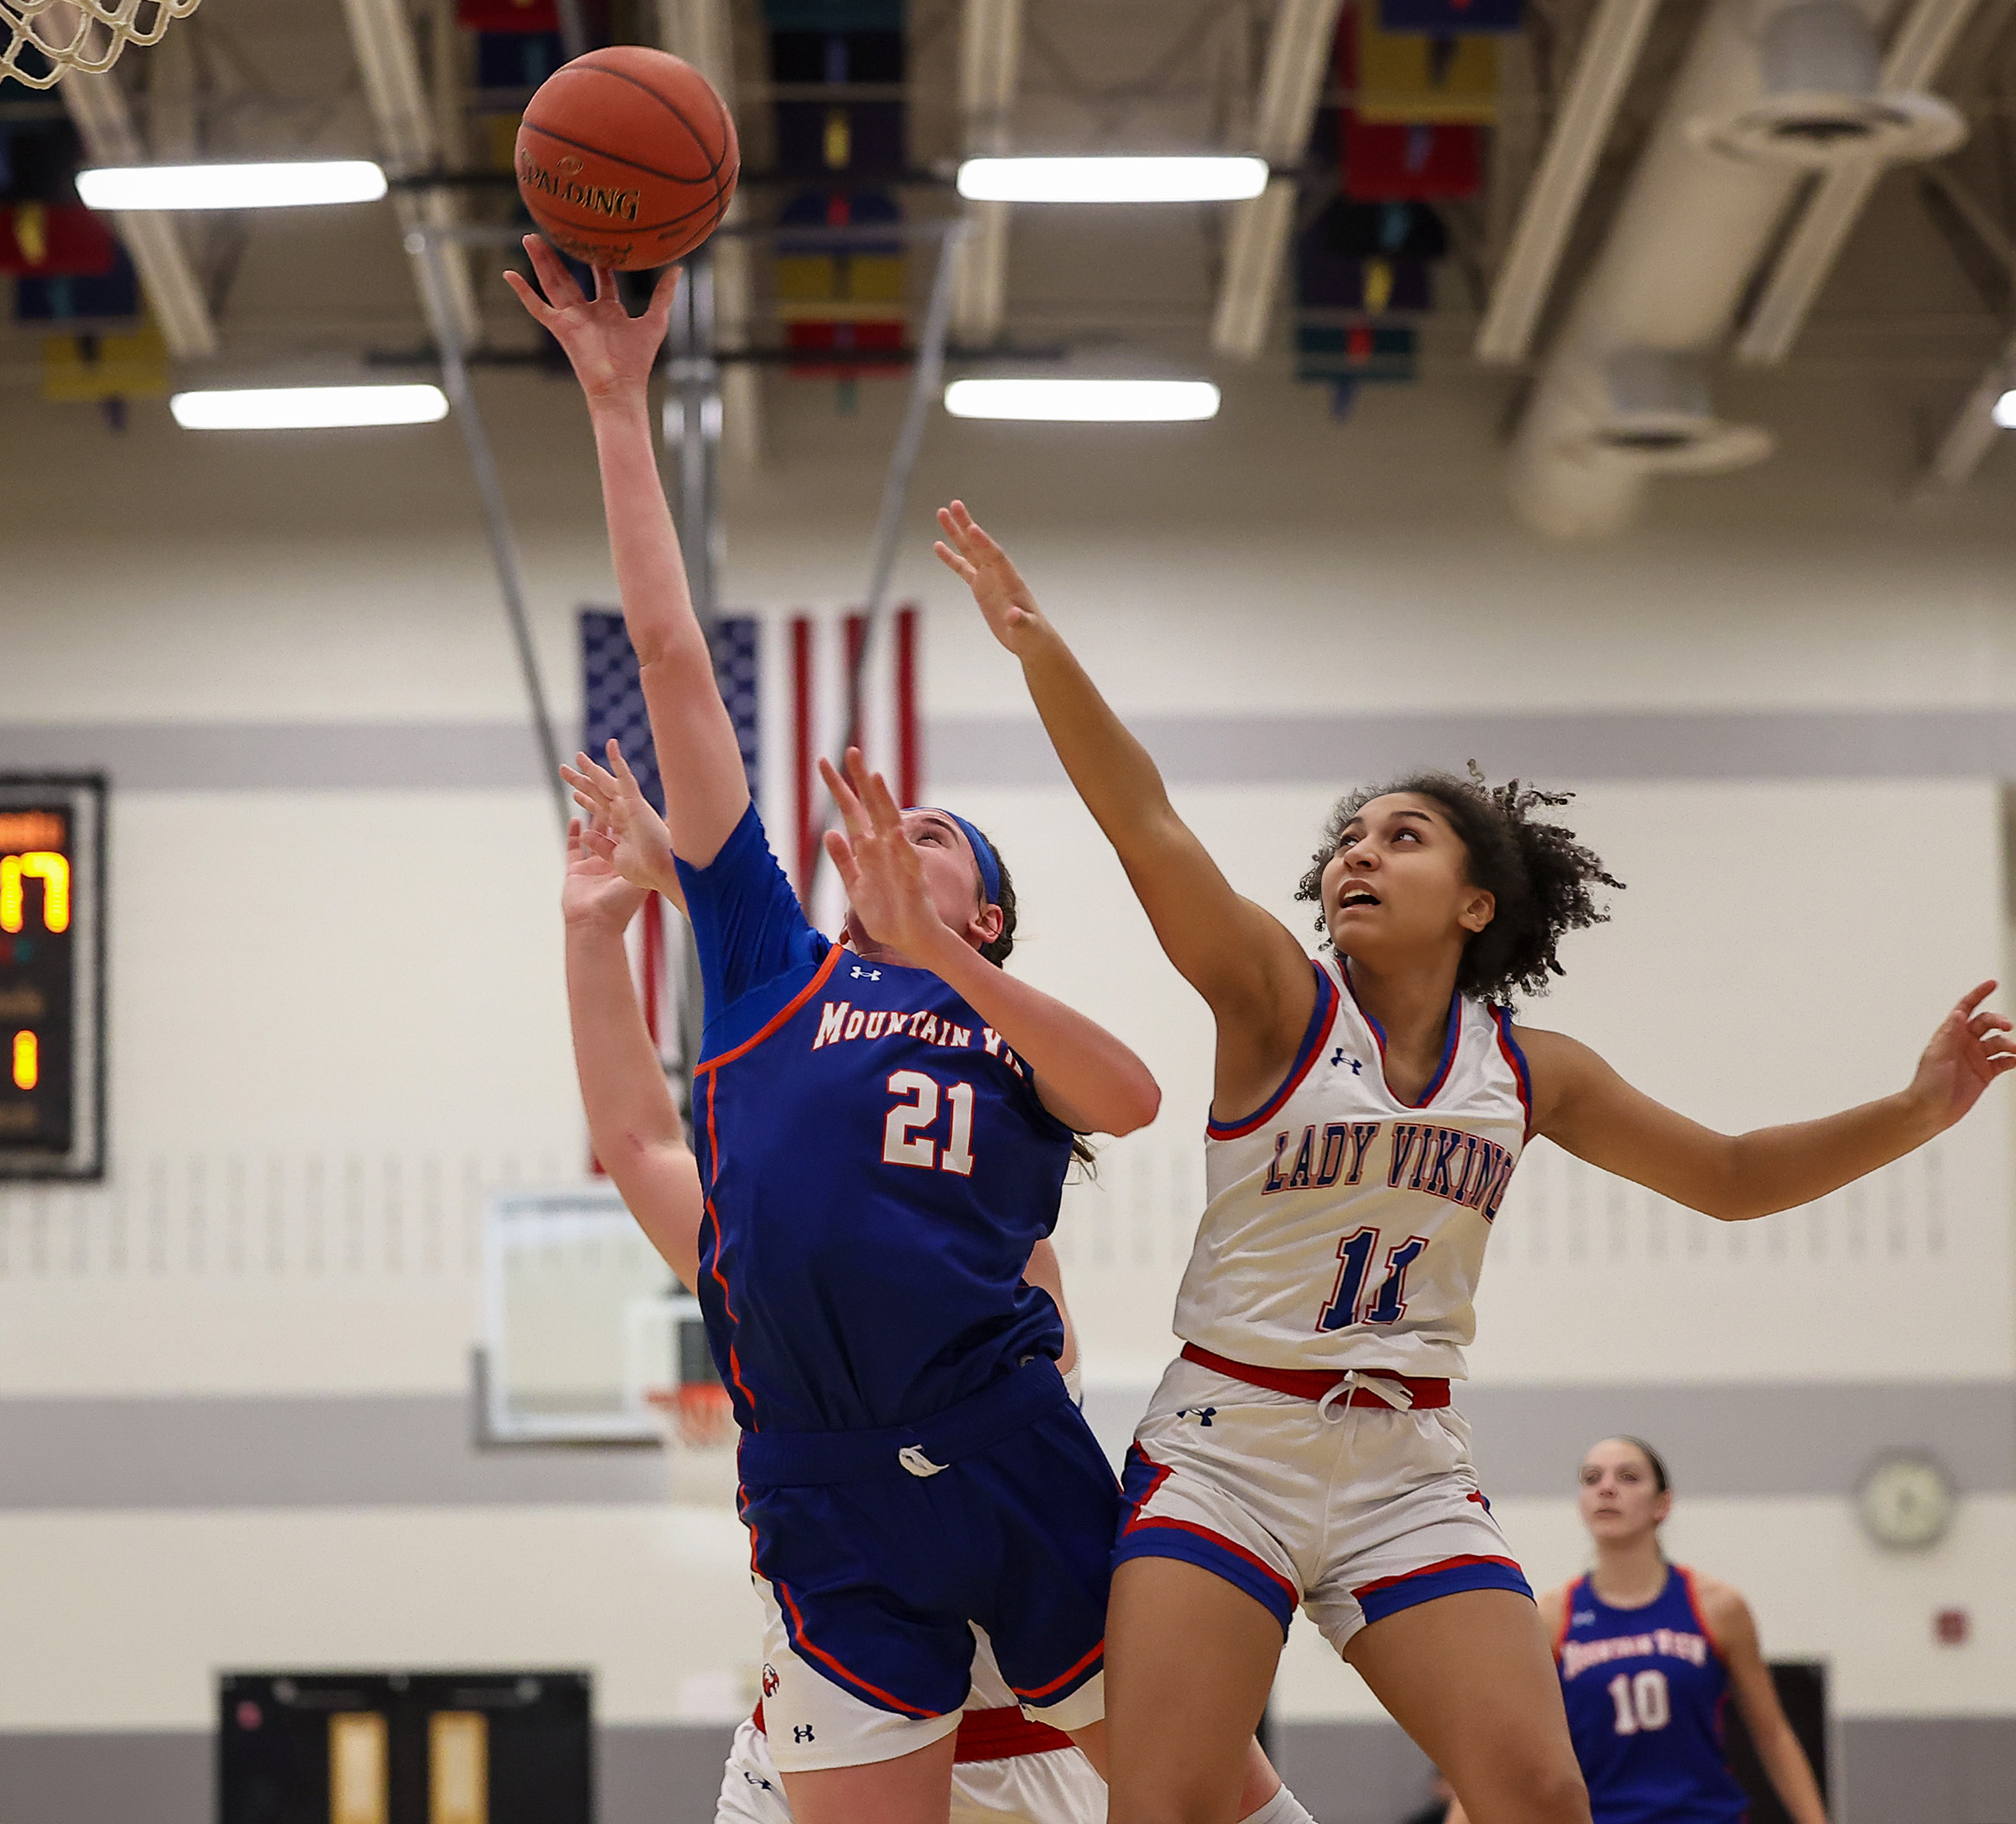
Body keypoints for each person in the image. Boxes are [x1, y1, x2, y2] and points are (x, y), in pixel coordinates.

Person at [932, 497, 2015, 1824]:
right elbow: (1144, 821)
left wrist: (1917, 1110)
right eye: (1347, 839)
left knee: (1542, 1794)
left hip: (1407, 1462)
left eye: (1400, 835)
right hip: (1227, 1448)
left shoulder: (1531, 1069)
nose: (1356, 855)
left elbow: (1729, 1174)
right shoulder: (1277, 1000)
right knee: (1162, 1804)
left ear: (1476, 899)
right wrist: (1039, 647)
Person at [511, 247, 1305, 1824]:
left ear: (989, 913)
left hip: (1002, 1446)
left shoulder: (998, 1018)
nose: (899, 825)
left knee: (1218, 1801)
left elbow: (1134, 1094)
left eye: (944, 835)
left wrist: (944, 955)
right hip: (814, 1471)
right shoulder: (767, 966)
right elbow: (676, 664)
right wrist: (615, 401)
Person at [556, 772, 1110, 1824]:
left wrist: (688, 880)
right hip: (805, 1750)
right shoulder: (775, 1247)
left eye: (929, 833)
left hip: (1031, 1763)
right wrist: (594, 932)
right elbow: (638, 1145)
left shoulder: (990, 1206)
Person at [1447, 1437, 1827, 1824]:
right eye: (1592, 1478)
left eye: (1628, 1477)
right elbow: (1500, 1746)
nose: (1607, 1488)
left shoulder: (1718, 1606)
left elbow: (1773, 1735)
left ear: (1662, 1503)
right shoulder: (1551, 1615)